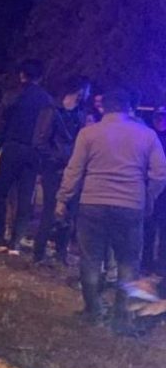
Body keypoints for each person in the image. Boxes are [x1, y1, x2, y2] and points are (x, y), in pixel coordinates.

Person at [56, 88, 166, 334]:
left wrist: (63, 199)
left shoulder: (88, 133)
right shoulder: (147, 135)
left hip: (92, 204)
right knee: (128, 262)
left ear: (103, 107)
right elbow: (160, 174)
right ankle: (122, 319)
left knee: (91, 259)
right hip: (130, 205)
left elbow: (74, 170)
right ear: (128, 108)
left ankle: (93, 311)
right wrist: (147, 197)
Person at [0, 59, 54, 255]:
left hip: (10, 148)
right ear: (40, 77)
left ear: (22, 75)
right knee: (24, 197)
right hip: (32, 153)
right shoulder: (47, 100)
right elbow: (47, 130)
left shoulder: (12, 95)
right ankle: (16, 241)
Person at [32, 76, 90, 265]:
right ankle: (39, 252)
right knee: (51, 209)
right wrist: (58, 158)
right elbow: (40, 141)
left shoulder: (80, 113)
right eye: (87, 90)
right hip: (54, 168)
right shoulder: (52, 110)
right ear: (79, 90)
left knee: (70, 212)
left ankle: (61, 253)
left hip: (72, 168)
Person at [143, 107, 166, 273]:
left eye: (163, 117)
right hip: (151, 187)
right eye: (158, 116)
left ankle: (162, 264)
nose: (161, 120)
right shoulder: (149, 136)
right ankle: (146, 262)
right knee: (148, 227)